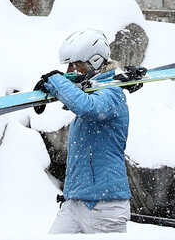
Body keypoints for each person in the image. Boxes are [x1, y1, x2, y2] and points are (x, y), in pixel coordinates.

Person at [36, 28, 135, 234]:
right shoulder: (93, 92)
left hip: (105, 207)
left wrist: (56, 81)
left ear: (96, 61)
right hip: (75, 203)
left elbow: (88, 107)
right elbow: (80, 99)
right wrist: (52, 88)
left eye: (76, 64)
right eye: (68, 65)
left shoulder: (112, 94)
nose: (70, 70)